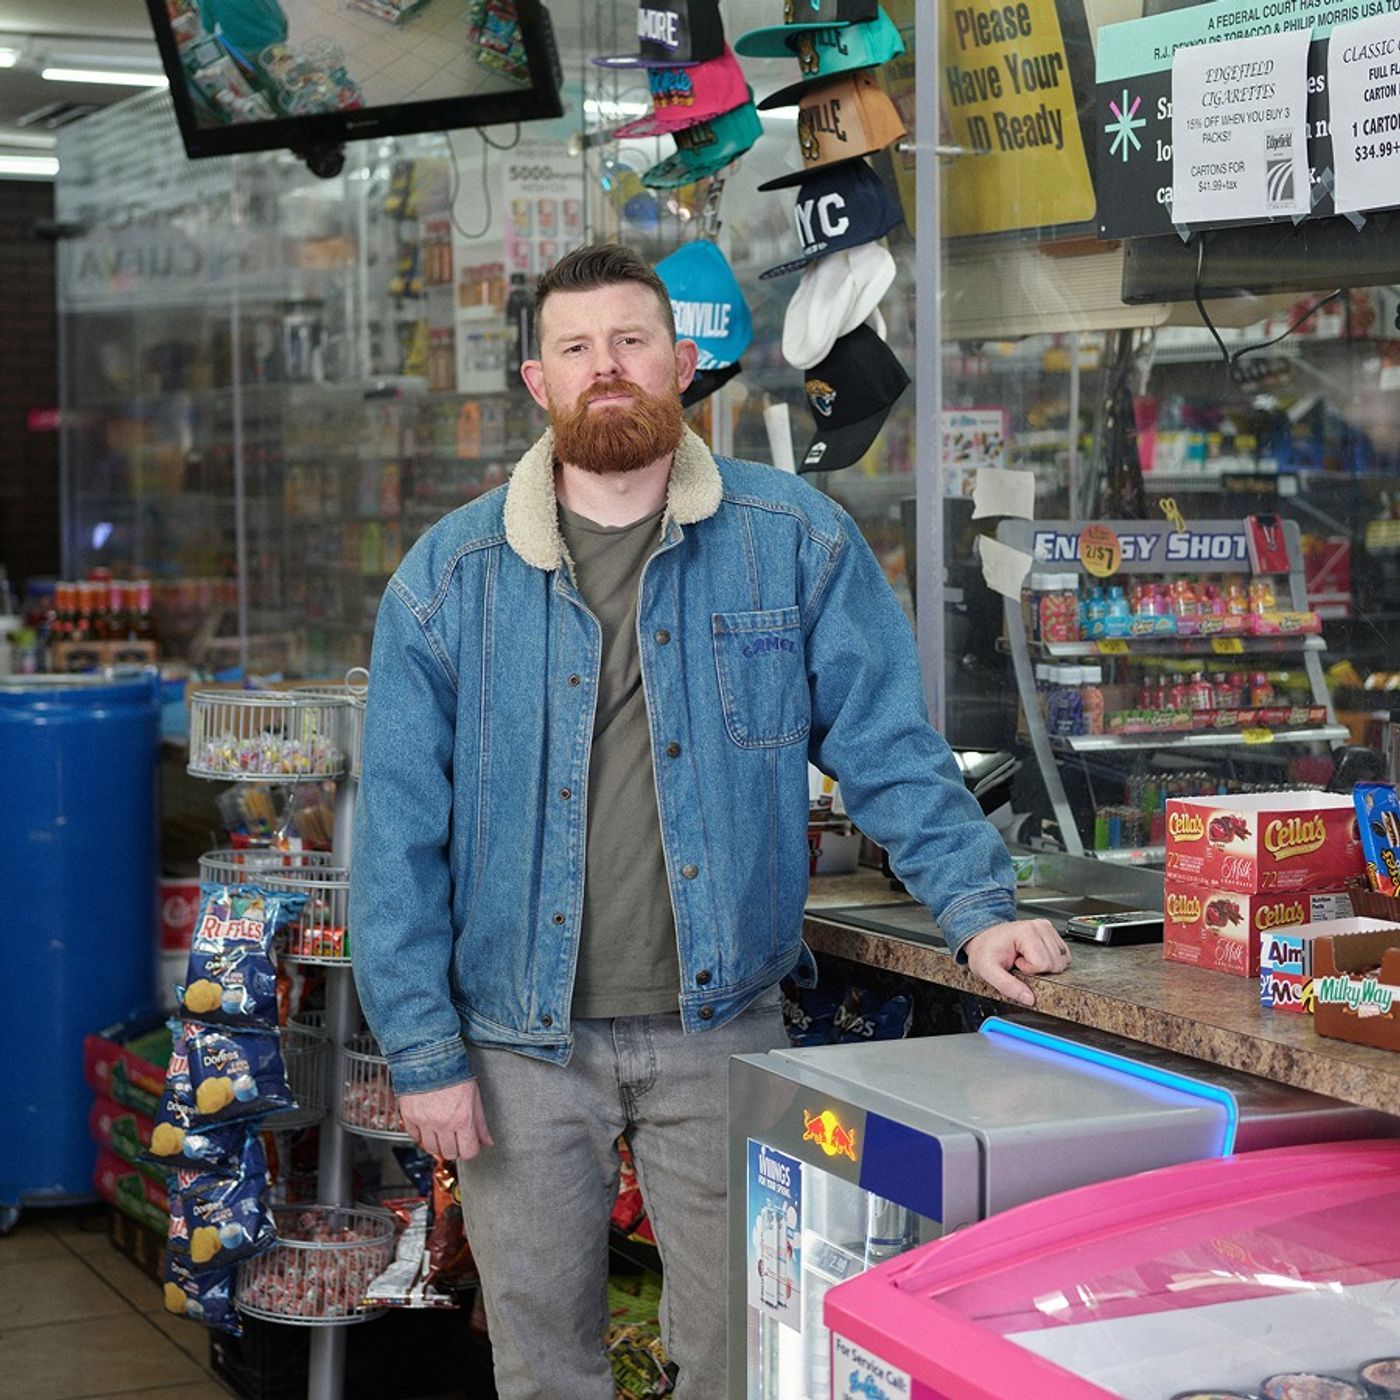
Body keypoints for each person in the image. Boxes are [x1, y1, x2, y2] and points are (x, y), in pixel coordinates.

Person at [350, 243, 1069, 1400]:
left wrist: (978, 909)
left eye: (631, 341)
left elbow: (887, 744)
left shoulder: (794, 539)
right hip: (519, 1043)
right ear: (538, 384)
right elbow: (393, 835)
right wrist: (425, 1054)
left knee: (743, 1352)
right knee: (544, 1368)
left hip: (721, 1023)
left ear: (680, 364)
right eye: (575, 348)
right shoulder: (450, 580)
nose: (607, 369)